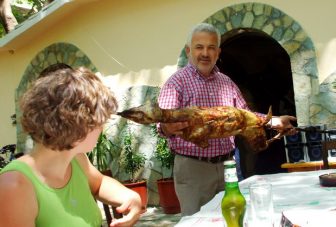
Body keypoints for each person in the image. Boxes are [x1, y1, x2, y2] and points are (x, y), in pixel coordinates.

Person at [157, 23, 297, 216]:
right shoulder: (176, 83)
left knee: (231, 218)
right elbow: (162, 124)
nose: (205, 53)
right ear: (189, 50)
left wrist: (274, 121)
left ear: (218, 52)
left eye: (211, 47)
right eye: (199, 47)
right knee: (196, 221)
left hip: (228, 166)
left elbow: (245, 115)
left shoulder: (226, 82)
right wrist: (167, 127)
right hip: (193, 169)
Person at [0, 67, 142, 227]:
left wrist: (130, 197)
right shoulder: (14, 186)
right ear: (76, 125)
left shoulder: (77, 160)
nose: (101, 128)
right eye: (99, 121)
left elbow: (100, 183)